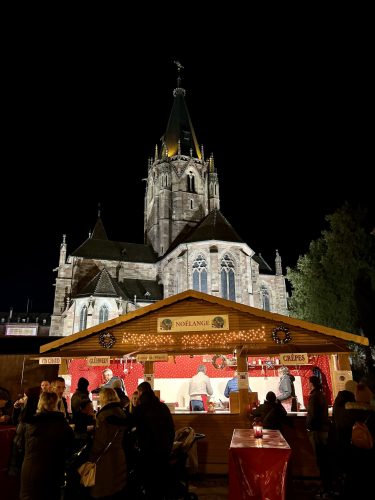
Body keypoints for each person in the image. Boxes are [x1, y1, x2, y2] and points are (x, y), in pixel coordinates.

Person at [19, 391, 74, 500]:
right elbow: (70, 446)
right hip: (53, 471)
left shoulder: (32, 422)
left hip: (30, 469)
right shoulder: (62, 424)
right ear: (56, 404)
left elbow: (20, 443)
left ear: (40, 403)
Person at [133, 381, 175, 499]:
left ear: (140, 392)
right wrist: (169, 445)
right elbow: (171, 428)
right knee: (161, 477)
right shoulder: (163, 407)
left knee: (149, 479)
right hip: (164, 447)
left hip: (147, 449)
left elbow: (130, 424)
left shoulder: (140, 409)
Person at [88, 388, 128, 499]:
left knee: (104, 487)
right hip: (119, 453)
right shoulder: (121, 412)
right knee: (117, 486)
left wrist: (92, 456)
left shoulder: (104, 415)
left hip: (105, 458)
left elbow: (101, 440)